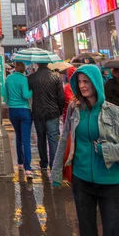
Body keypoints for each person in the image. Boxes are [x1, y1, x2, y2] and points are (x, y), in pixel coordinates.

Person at [52, 65, 119, 236]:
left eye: (87, 82)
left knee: (112, 230)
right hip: (81, 180)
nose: (82, 86)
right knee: (86, 230)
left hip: (111, 182)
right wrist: (56, 172)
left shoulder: (113, 112)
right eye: (80, 82)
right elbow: (65, 139)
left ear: (96, 82)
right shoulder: (75, 110)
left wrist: (107, 150)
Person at [28, 62, 64, 172]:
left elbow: (28, 95)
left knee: (41, 138)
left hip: (38, 112)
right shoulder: (56, 77)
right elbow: (61, 97)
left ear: (37, 63)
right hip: (53, 112)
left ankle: (43, 164)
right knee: (53, 140)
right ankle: (54, 166)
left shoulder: (31, 78)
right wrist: (60, 110)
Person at [5, 61, 33, 178]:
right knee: (26, 139)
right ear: (24, 69)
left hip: (13, 110)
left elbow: (5, 95)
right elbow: (26, 95)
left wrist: (10, 103)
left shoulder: (8, 78)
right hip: (24, 110)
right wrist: (32, 90)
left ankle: (20, 163)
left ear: (15, 67)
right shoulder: (24, 79)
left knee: (18, 136)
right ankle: (28, 168)